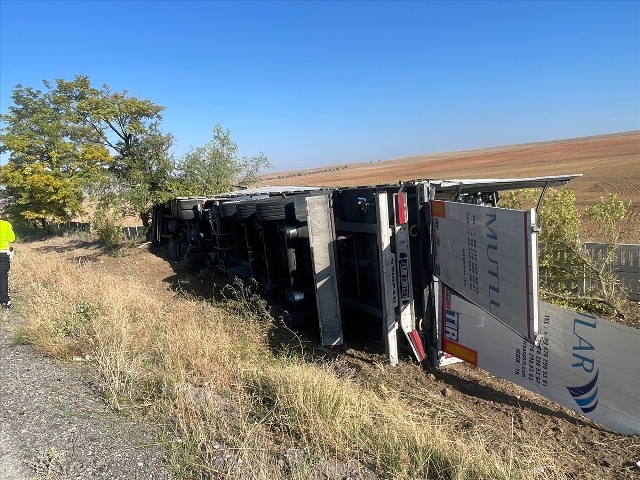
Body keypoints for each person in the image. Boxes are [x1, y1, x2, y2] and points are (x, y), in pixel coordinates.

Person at [0, 212, 15, 308]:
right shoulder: (6, 224)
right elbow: (12, 239)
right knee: (3, 276)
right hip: (2, 253)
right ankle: (5, 301)